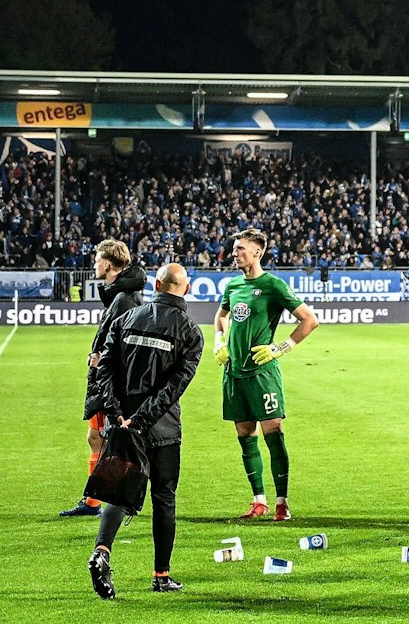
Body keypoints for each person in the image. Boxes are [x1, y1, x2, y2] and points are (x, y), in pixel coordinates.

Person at [87, 262, 204, 598]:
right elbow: (173, 388)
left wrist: (118, 414)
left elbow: (103, 369)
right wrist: (141, 419)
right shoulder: (191, 332)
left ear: (156, 284)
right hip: (162, 429)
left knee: (120, 491)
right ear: (186, 288)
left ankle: (102, 552)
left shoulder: (126, 319)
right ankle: (161, 575)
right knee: (164, 498)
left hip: (122, 425)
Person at [215, 229, 319, 521]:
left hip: (262, 373)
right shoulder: (233, 286)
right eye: (235, 249)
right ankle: (258, 500)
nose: (235, 253)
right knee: (245, 434)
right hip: (234, 372)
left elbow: (310, 320)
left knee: (274, 434)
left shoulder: (273, 284)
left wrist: (280, 347)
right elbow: (220, 316)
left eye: (241, 249)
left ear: (257, 252)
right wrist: (219, 343)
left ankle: (282, 503)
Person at [61, 239, 147, 517]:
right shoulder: (120, 294)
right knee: (96, 437)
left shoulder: (124, 299)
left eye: (97, 260)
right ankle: (95, 501)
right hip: (107, 378)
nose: (94, 264)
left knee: (112, 438)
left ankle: (116, 501)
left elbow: (128, 341)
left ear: (108, 263)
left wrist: (104, 359)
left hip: (113, 382)